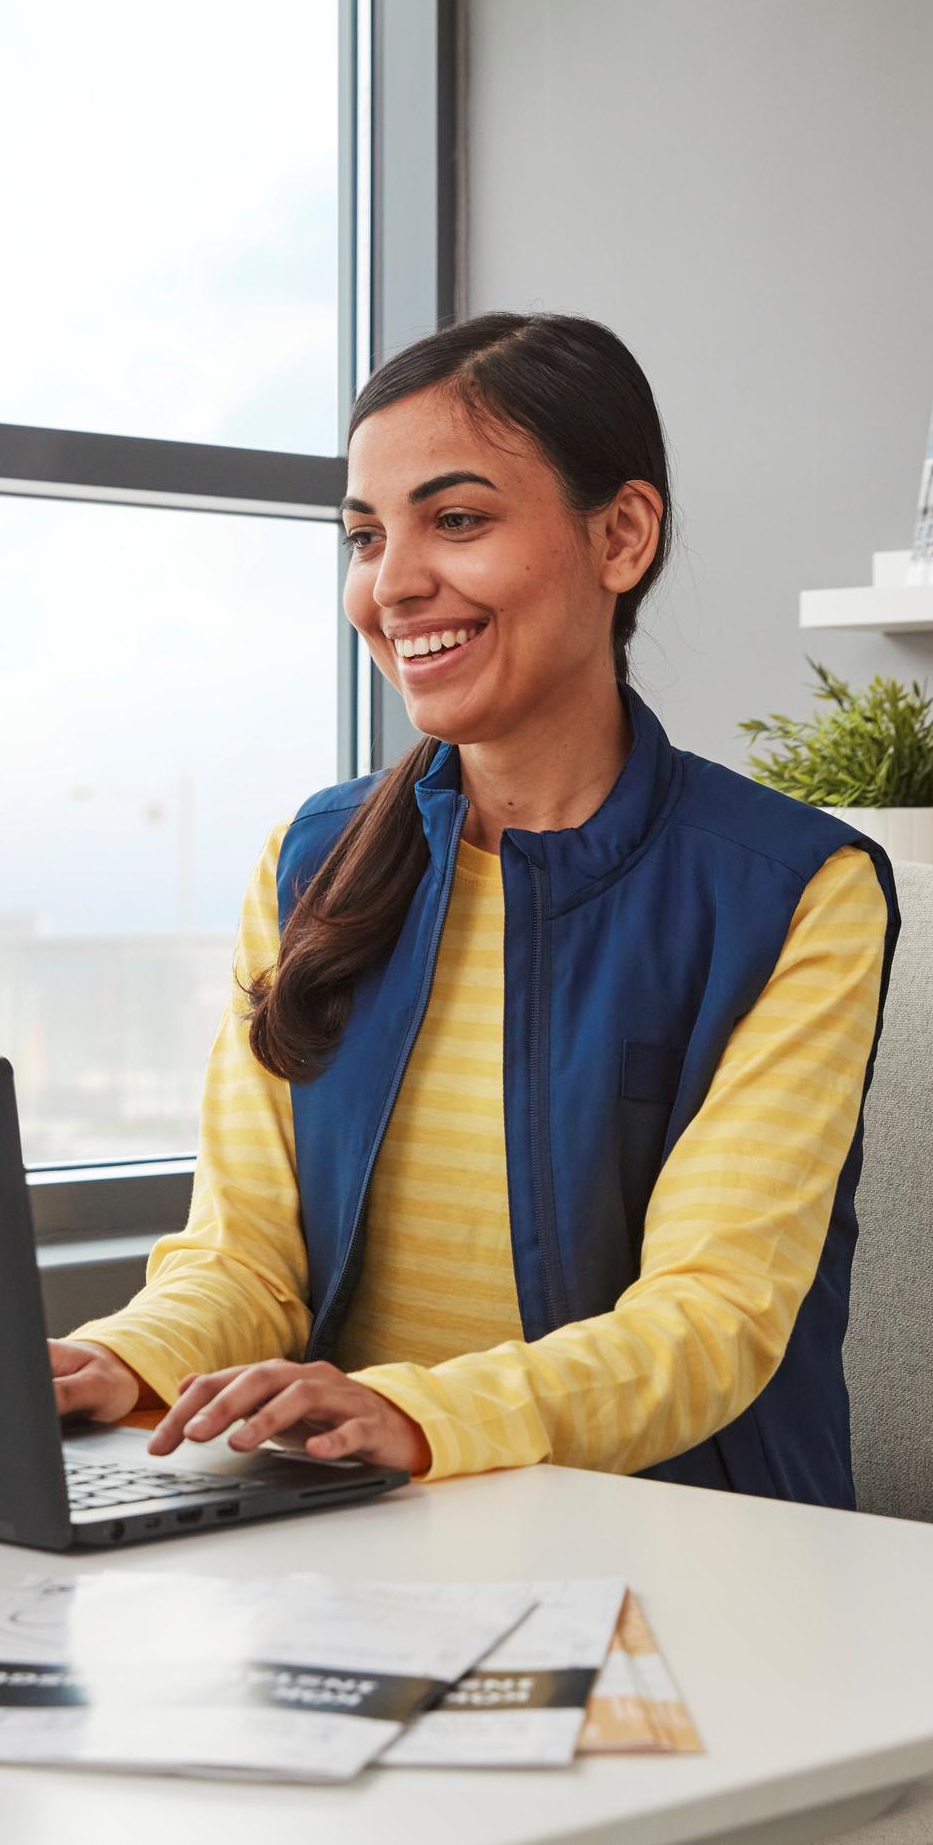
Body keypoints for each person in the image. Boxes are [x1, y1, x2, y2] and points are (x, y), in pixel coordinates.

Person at [48, 310, 901, 1508]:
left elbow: (711, 1318)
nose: (392, 585)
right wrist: (114, 1358)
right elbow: (243, 1255)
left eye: (455, 520)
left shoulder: (792, 888)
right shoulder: (313, 862)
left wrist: (412, 1409)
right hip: (363, 1526)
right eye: (362, 536)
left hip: (683, 1541)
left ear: (619, 535)